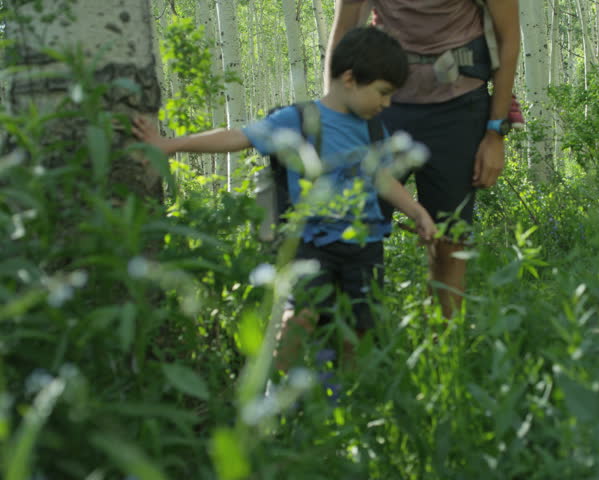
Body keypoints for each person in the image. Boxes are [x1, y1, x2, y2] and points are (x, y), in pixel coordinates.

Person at [132, 27, 437, 371]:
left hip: (364, 244)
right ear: (350, 78)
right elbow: (238, 137)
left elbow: (382, 179)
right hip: (310, 242)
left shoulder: (372, 129)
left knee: (358, 328)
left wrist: (416, 211)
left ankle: (350, 402)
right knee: (299, 317)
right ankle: (276, 392)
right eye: (382, 92)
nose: (387, 103)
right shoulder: (299, 120)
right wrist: (170, 145)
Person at [327, 0, 521, 317]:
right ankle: (357, 352)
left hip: (459, 108)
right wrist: (336, 121)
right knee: (357, 231)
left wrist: (495, 133)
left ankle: (444, 350)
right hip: (381, 108)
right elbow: (342, 36)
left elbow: (508, 38)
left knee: (450, 239)